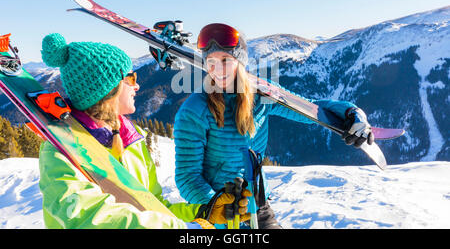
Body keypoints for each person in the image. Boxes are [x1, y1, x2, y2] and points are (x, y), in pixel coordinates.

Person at [38, 33, 250, 229]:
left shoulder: (132, 140)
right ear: (108, 89)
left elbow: (153, 207)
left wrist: (204, 212)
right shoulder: (60, 151)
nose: (137, 86)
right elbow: (87, 217)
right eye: (130, 79)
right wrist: (183, 229)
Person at [173, 23, 374, 229]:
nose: (218, 70)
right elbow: (187, 175)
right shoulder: (194, 110)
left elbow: (307, 108)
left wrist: (350, 112)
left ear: (240, 62)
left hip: (258, 205)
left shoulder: (261, 95)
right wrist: (213, 205)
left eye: (226, 60)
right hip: (219, 213)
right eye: (211, 62)